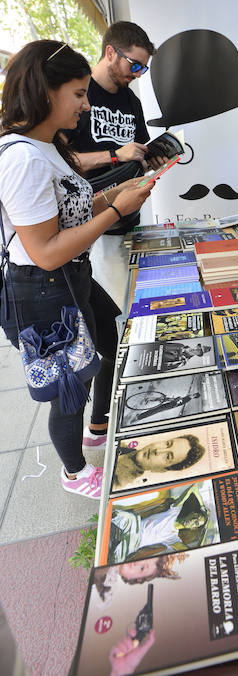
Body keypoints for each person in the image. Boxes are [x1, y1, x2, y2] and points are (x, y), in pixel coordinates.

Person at [0, 40, 154, 498]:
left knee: (108, 339)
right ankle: (73, 472)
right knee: (70, 386)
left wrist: (119, 196)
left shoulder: (49, 146)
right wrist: (114, 211)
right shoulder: (23, 158)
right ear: (43, 92)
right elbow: (45, 250)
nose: (86, 106)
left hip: (72, 276)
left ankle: (99, 426)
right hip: (43, 286)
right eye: (78, 94)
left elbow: (75, 206)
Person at [68, 21, 156, 178]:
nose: (138, 74)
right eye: (134, 65)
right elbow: (58, 161)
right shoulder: (77, 93)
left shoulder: (132, 101)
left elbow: (140, 156)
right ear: (110, 53)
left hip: (127, 199)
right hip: (89, 199)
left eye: (143, 68)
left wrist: (152, 161)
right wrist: (114, 155)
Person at [112, 434, 205, 490]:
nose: (158, 451)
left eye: (168, 457)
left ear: (161, 470)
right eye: (167, 444)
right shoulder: (123, 446)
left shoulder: (117, 482)